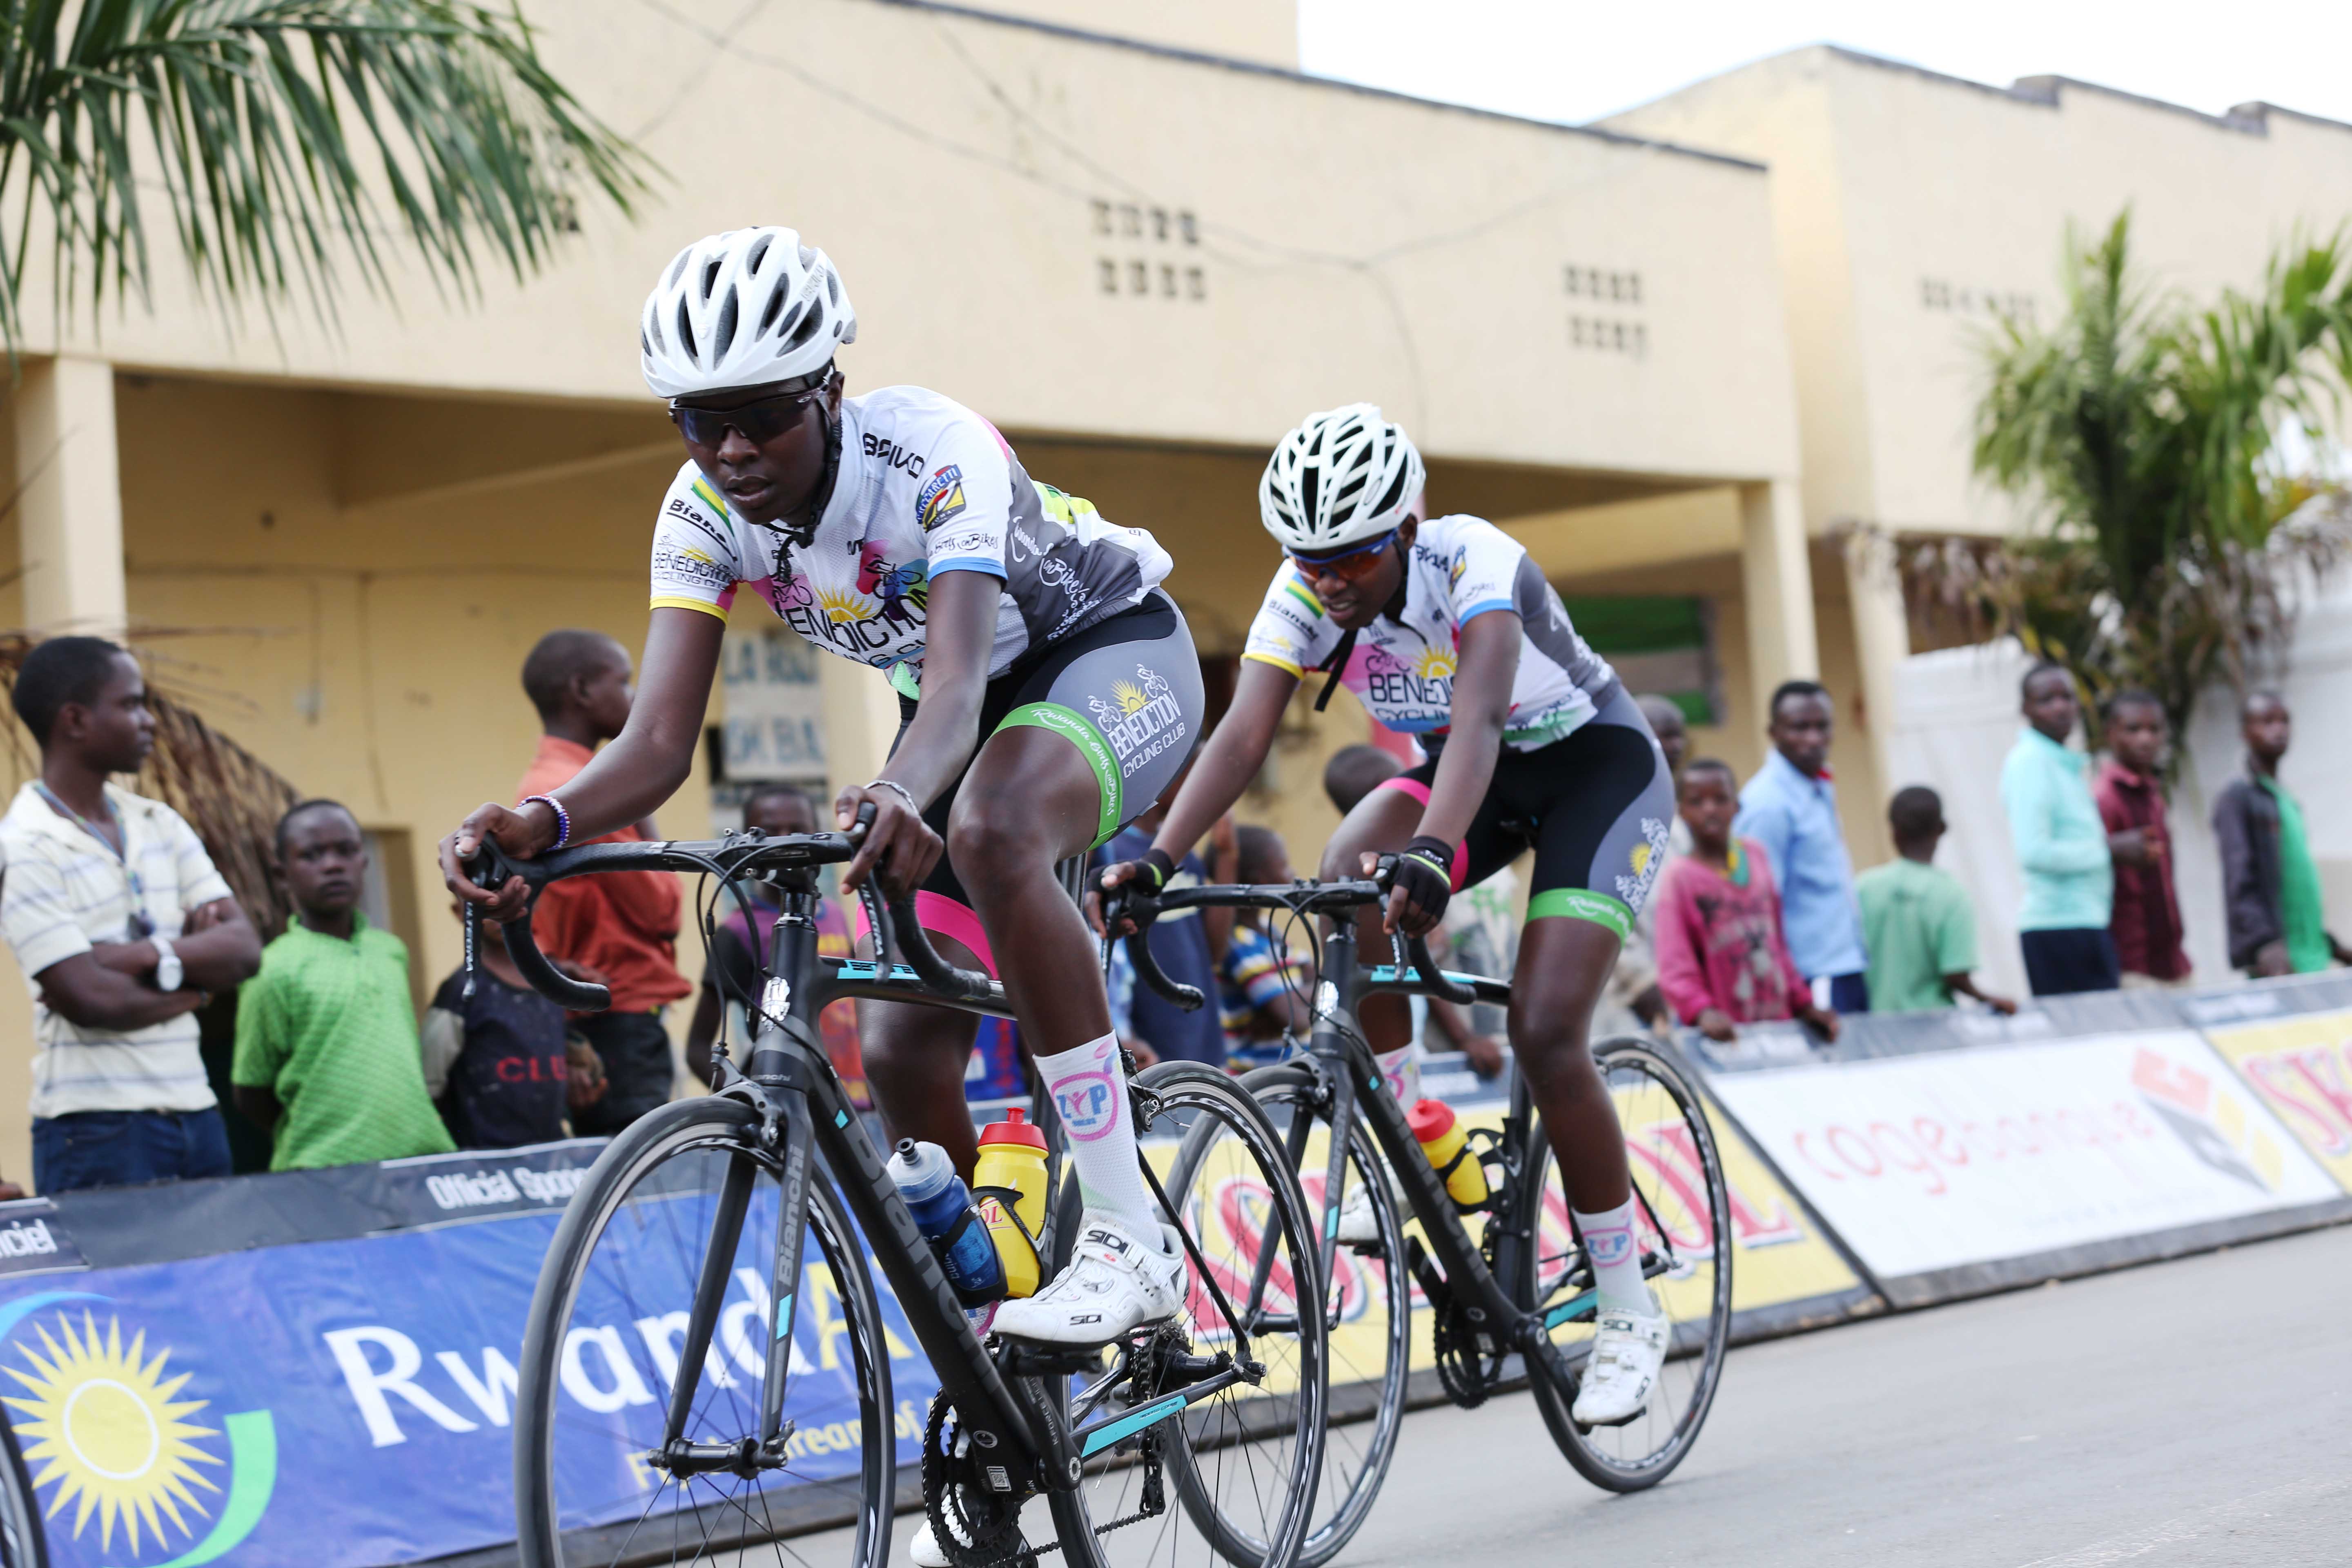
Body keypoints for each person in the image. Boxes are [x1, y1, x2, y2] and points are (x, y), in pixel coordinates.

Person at [442, 227, 1202, 1377]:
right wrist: (540, 823)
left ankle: (1127, 1238)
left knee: (993, 824)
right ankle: (998, 1365)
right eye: (702, 420)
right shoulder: (702, 512)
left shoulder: (931, 449)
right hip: (958, 728)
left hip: (1106, 654)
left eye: (764, 413)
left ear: (829, 389)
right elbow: (654, 744)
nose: (735, 449)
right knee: (897, 1046)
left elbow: (951, 686)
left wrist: (903, 787)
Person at [1101, 403, 1677, 1425]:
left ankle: (1628, 1309)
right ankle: (1409, 1137)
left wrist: (1434, 847)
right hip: (1472, 779)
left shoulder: (1474, 560)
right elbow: (1238, 739)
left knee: (1544, 1028)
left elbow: (1483, 717)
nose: (1329, 579)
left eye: (1352, 557)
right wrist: (1154, 855)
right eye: (1308, 557)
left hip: (1592, 769)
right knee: (1343, 876)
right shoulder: (1304, 591)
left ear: (1405, 526)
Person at [0, 636, 260, 1194]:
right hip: (96, 1129)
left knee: (210, 1283)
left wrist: (138, 957)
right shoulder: (23, 846)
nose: (148, 722)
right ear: (75, 720)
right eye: (131, 704)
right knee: (113, 1288)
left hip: (197, 1110)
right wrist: (199, 986)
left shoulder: (159, 822)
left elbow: (243, 949)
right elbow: (89, 999)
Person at [515, 628, 693, 1132]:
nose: (635, 697)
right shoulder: (577, 792)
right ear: (582, 691)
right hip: (618, 1019)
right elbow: (663, 909)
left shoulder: (555, 779)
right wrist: (643, 788)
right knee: (646, 1189)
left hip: (598, 1017)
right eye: (625, 681)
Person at [231, 801, 455, 1170]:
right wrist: (324, 1132)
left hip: (420, 1157)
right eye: (312, 855)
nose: (333, 865)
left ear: (363, 861)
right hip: (325, 1169)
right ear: (282, 875)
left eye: (346, 850)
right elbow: (251, 1091)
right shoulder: (272, 967)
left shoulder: (390, 951)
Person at [1320, 743, 1503, 1072]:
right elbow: (1420, 961)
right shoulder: (1402, 874)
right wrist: (1465, 1037)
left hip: (1424, 1041)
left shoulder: (1426, 859)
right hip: (1424, 1047)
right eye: (1404, 782)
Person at [683, 782, 862, 1090]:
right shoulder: (737, 932)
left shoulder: (835, 914)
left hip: (856, 1103)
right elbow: (698, 1049)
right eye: (770, 831)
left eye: (797, 830)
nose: (784, 842)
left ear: (820, 836)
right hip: (789, 1108)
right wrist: (749, 1099)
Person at [1653, 760, 1839, 1041]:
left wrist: (1804, 1002)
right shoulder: (1680, 878)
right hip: (1724, 1037)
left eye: (1720, 799)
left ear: (1737, 806)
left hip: (1778, 1028)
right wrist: (1702, 1012)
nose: (1710, 809)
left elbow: (1777, 945)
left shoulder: (1756, 857)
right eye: (1697, 801)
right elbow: (1675, 965)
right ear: (1681, 812)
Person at [1733, 680, 1869, 1013]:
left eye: (1822, 727)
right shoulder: (1768, 803)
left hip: (1844, 967)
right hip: (1811, 978)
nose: (1813, 739)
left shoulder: (1818, 784)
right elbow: (1760, 904)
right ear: (1773, 732)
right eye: (1800, 728)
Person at [422, 905, 608, 1148]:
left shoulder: (556, 980)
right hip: (488, 1164)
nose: (500, 910)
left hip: (550, 1160)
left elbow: (570, 1060)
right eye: (485, 904)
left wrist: (581, 1079)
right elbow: (429, 1086)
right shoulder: (460, 992)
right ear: (461, 912)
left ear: (533, 903)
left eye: (507, 897)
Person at [1093, 767, 1229, 1068]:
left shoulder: (1183, 856)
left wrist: (1227, 855)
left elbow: (1215, 950)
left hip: (1199, 1024)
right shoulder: (1114, 851)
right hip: (1147, 1034)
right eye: (1199, 777)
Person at [2001, 662, 2119, 996]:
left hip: (2086, 923)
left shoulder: (2059, 762)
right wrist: (2107, 852)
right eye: (2047, 699)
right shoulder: (2030, 762)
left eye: (2067, 697)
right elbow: (2035, 852)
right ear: (2026, 709)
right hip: (2058, 928)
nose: (2061, 707)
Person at [2214, 690, 2350, 978]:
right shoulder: (2238, 797)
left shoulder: (2285, 800)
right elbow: (2239, 879)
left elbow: (2297, 889)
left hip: (2313, 954)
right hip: (2279, 960)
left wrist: (2331, 945)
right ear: (2244, 733)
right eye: (2267, 721)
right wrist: (2264, 943)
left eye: (2284, 721)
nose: (2279, 730)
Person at [1854, 787, 2017, 1015]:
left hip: (1876, 1027)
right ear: (1942, 829)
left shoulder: (1862, 888)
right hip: (1936, 1027)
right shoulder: (1952, 895)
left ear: (1893, 831)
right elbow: (1956, 975)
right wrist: (1985, 998)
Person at [1606, 694, 1694, 1031]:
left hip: (1684, 992)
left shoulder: (1680, 818)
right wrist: (1642, 983)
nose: (1674, 745)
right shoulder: (1612, 811)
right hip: (1628, 999)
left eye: (1678, 735)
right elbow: (1605, 906)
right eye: (1663, 734)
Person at [2093, 691, 2190, 989]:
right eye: (2133, 730)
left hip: (2172, 961)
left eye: (2154, 729)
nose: (2145, 739)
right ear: (2111, 734)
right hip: (2133, 965)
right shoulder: (2106, 797)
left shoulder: (2152, 794)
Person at [1218, 825, 1311, 1069]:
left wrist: (1292, 999)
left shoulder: (1271, 932)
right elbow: (1297, 1020)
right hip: (1255, 1078)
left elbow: (1317, 975)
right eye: (1285, 865)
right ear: (1259, 880)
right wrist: (1303, 999)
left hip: (1284, 1069)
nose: (1293, 873)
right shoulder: (1238, 944)